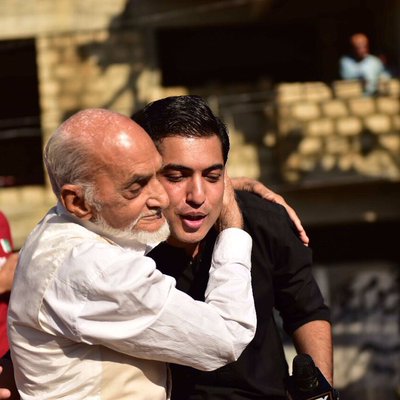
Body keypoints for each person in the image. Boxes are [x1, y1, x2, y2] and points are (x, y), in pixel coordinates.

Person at [8, 108, 257, 399]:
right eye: (137, 186)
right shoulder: (95, 269)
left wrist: (224, 186)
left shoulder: (62, 228)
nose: (161, 198)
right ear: (78, 201)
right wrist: (233, 228)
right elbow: (227, 336)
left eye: (160, 175)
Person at [132, 95, 333, 400]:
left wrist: (321, 394)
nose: (198, 195)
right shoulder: (120, 246)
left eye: (212, 176)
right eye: (177, 176)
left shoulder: (264, 220)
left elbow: (306, 310)